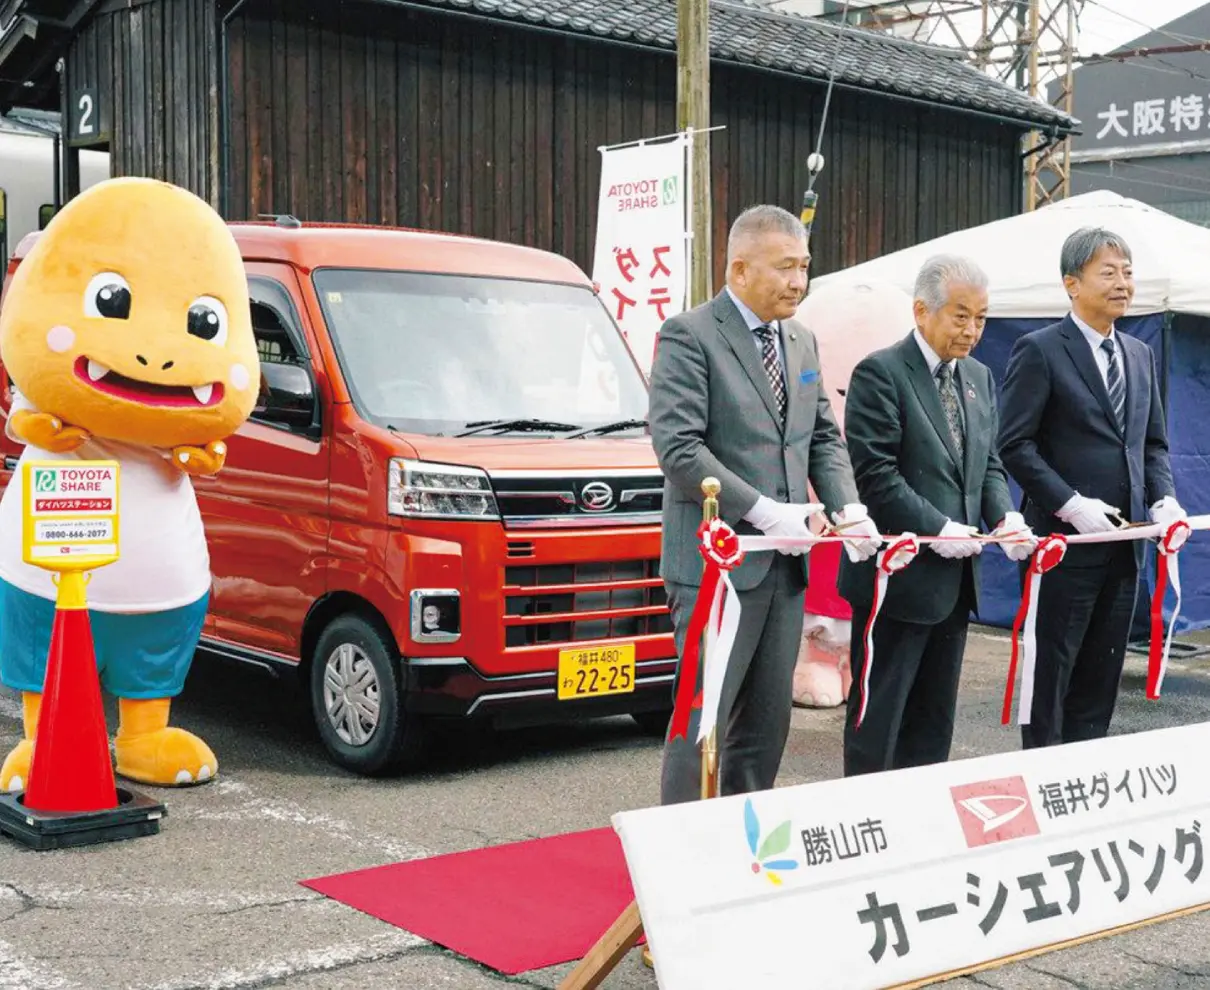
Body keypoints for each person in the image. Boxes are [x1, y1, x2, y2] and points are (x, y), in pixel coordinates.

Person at [648, 204, 881, 805]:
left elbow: (821, 435)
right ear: (740, 268)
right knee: (704, 717)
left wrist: (848, 506)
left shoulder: (801, 342)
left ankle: (746, 845)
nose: (798, 282)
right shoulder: (690, 334)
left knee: (767, 722)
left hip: (785, 566)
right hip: (716, 565)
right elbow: (678, 446)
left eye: (804, 267)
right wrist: (760, 509)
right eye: (784, 268)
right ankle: (683, 846)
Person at [837, 254, 1037, 777]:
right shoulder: (881, 372)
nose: (972, 330)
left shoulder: (979, 376)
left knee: (933, 720)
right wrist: (937, 527)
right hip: (897, 582)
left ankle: (922, 826)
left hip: (956, 580)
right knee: (878, 715)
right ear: (922, 311)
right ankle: (864, 820)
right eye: (961, 316)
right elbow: (876, 474)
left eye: (981, 317)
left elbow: (987, 465)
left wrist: (1005, 518)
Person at [997, 226, 1185, 749]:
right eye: (1109, 272)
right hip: (1063, 548)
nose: (1123, 283)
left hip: (1125, 548)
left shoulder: (1140, 355)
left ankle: (1084, 782)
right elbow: (1014, 444)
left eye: (1127, 272)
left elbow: (1153, 444)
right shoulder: (1039, 351)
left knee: (1101, 677)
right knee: (1051, 675)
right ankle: (1043, 783)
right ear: (1072, 284)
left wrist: (1163, 497)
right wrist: (1069, 503)